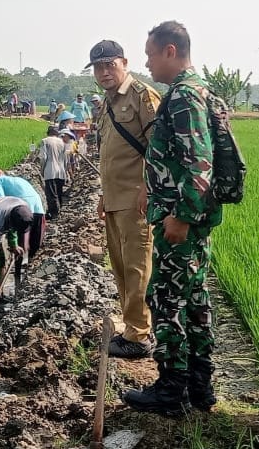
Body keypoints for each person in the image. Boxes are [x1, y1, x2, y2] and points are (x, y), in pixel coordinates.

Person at [123, 21, 222, 416]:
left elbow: (199, 162)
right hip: (186, 220)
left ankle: (171, 389)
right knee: (195, 301)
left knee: (168, 300)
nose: (148, 63)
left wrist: (181, 216)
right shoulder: (196, 90)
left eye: (149, 55)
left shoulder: (183, 96)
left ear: (169, 51)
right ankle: (200, 387)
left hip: (180, 223)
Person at [89, 40, 161, 359]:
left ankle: (140, 336)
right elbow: (110, 154)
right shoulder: (105, 103)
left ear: (124, 63)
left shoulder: (142, 97)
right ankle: (132, 328)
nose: (104, 72)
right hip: (115, 198)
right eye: (98, 67)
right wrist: (104, 194)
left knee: (137, 267)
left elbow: (159, 147)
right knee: (119, 266)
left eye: (110, 65)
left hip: (137, 199)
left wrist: (149, 185)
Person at [0, 168, 47, 271]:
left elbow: (1, 200)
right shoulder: (19, 180)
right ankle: (30, 267)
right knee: (35, 242)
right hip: (38, 209)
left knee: (21, 243)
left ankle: (20, 269)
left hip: (23, 212)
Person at [38, 125, 67, 219]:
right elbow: (65, 158)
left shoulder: (45, 141)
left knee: (51, 193)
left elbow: (43, 157)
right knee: (59, 191)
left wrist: (42, 169)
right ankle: (59, 210)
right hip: (61, 170)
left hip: (50, 170)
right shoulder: (61, 142)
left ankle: (54, 213)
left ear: (48, 133)